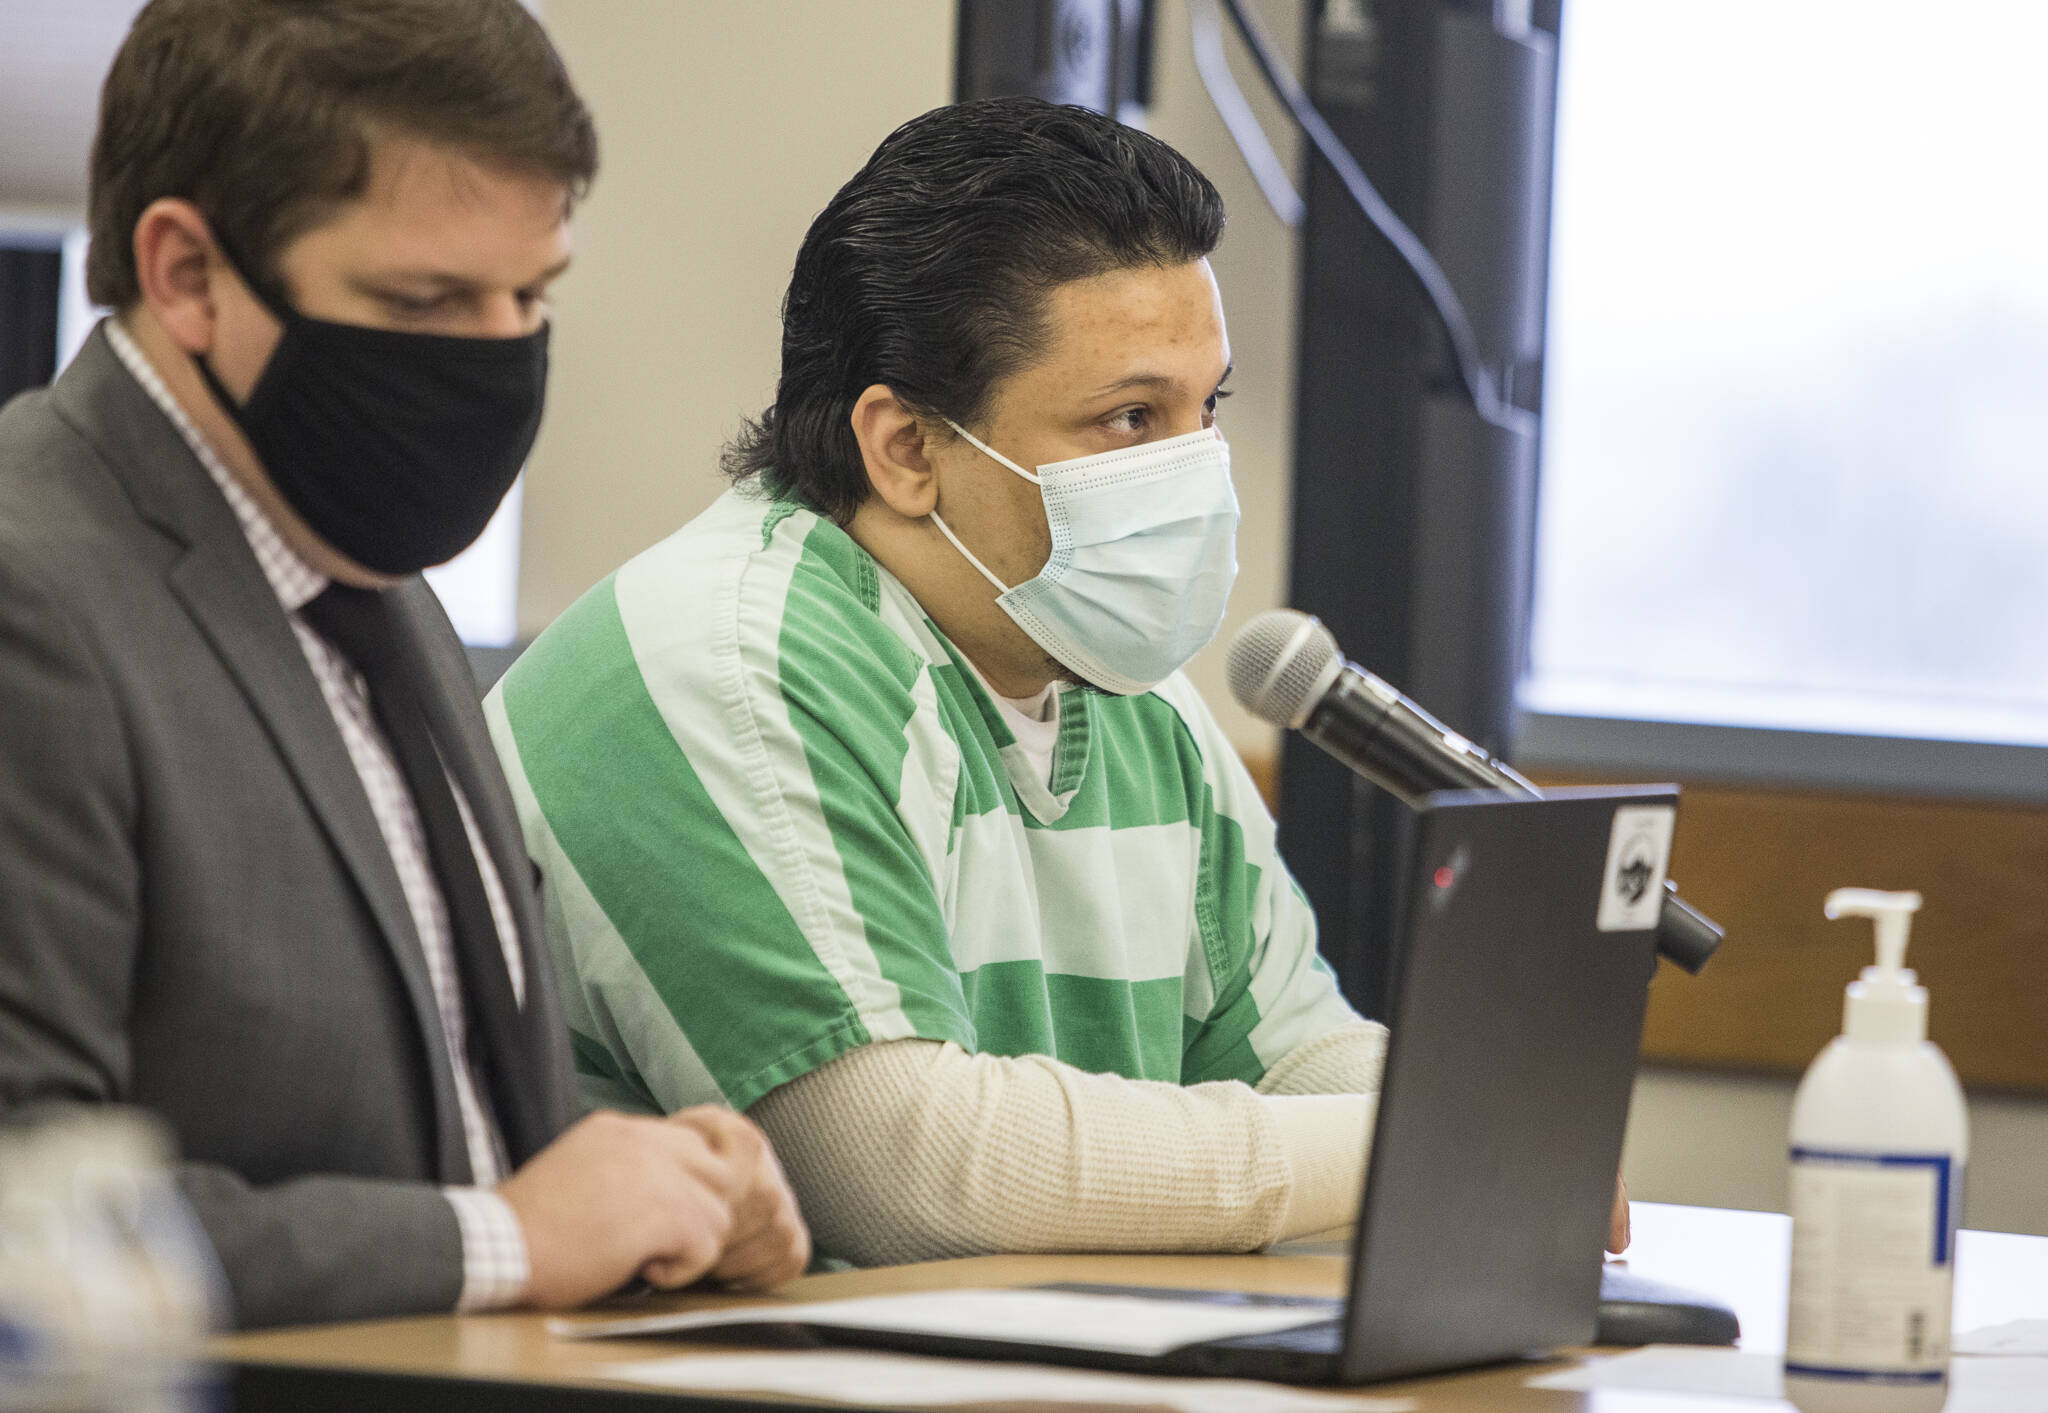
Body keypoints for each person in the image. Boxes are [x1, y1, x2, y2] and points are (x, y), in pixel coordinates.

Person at [490, 97, 1620, 1269]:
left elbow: (1294, 1056)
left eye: (1206, 409)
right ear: (907, 448)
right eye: (1130, 418)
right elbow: (903, 1175)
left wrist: (1489, 1124)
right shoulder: (724, 658)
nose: (1193, 472)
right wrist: (1423, 1148)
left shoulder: (1123, 691)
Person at [0, 0, 806, 1329]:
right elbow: (31, 1217)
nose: (497, 353)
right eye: (425, 301)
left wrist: (672, 1204)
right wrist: (503, 1237)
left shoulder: (368, 571)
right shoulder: (36, 590)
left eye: (531, 296)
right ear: (187, 274)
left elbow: (462, 1135)